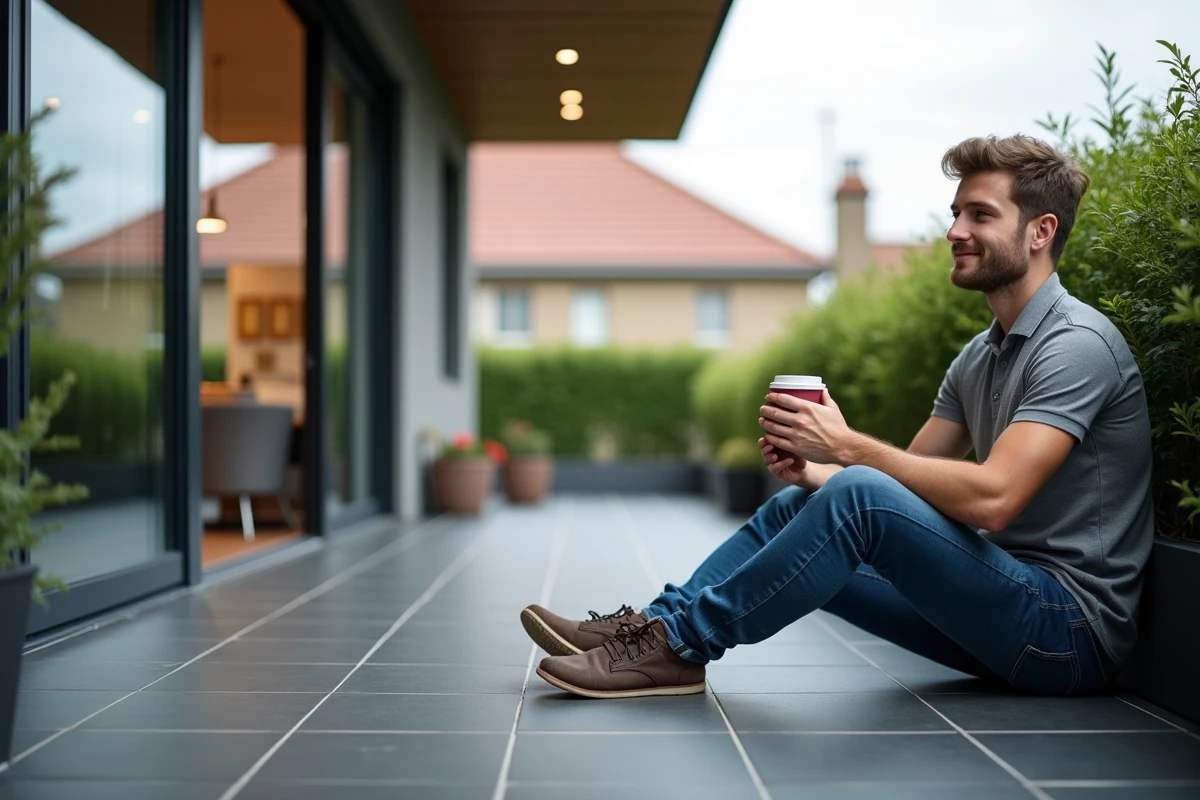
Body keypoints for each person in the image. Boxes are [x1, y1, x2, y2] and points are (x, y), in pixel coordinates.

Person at [520, 134, 1155, 699]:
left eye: (979, 215)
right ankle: (658, 629)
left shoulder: (1076, 345)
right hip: (993, 613)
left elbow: (995, 500)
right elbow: (907, 491)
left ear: (1040, 232)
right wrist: (819, 474)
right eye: (955, 212)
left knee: (855, 491)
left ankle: (677, 646)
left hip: (1066, 635)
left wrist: (848, 449)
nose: (955, 229)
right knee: (799, 506)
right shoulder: (979, 356)